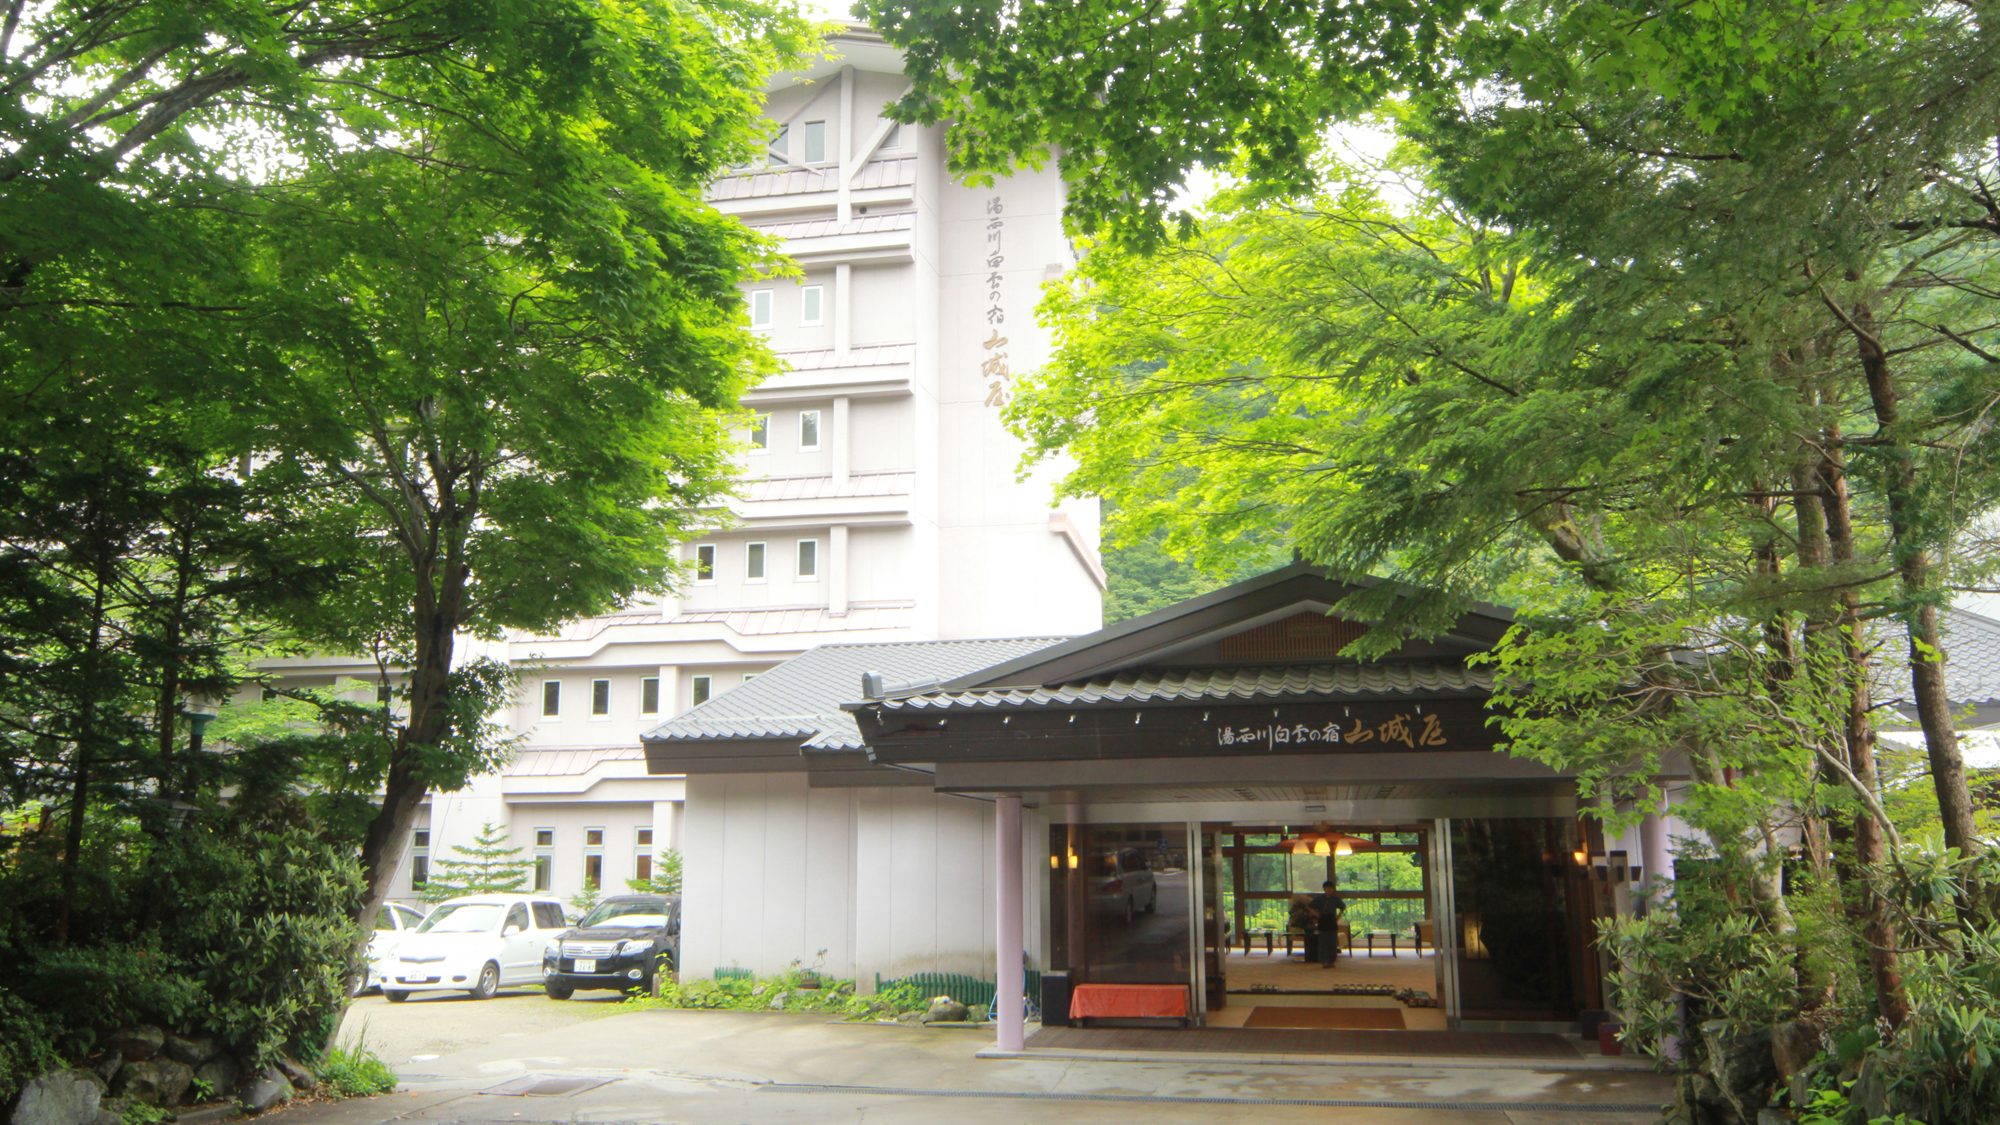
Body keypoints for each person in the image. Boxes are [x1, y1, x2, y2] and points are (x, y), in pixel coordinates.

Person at [1309, 880, 1347, 967]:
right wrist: (1316, 914)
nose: (1329, 890)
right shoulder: (1319, 899)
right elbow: (1310, 906)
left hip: (1332, 920)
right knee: (1323, 942)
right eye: (1327, 888)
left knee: (1333, 942)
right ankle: (1324, 961)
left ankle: (1332, 961)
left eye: (1331, 888)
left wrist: (1338, 916)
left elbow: (1343, 907)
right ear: (1324, 889)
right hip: (1323, 920)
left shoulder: (1335, 899)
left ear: (1333, 889)